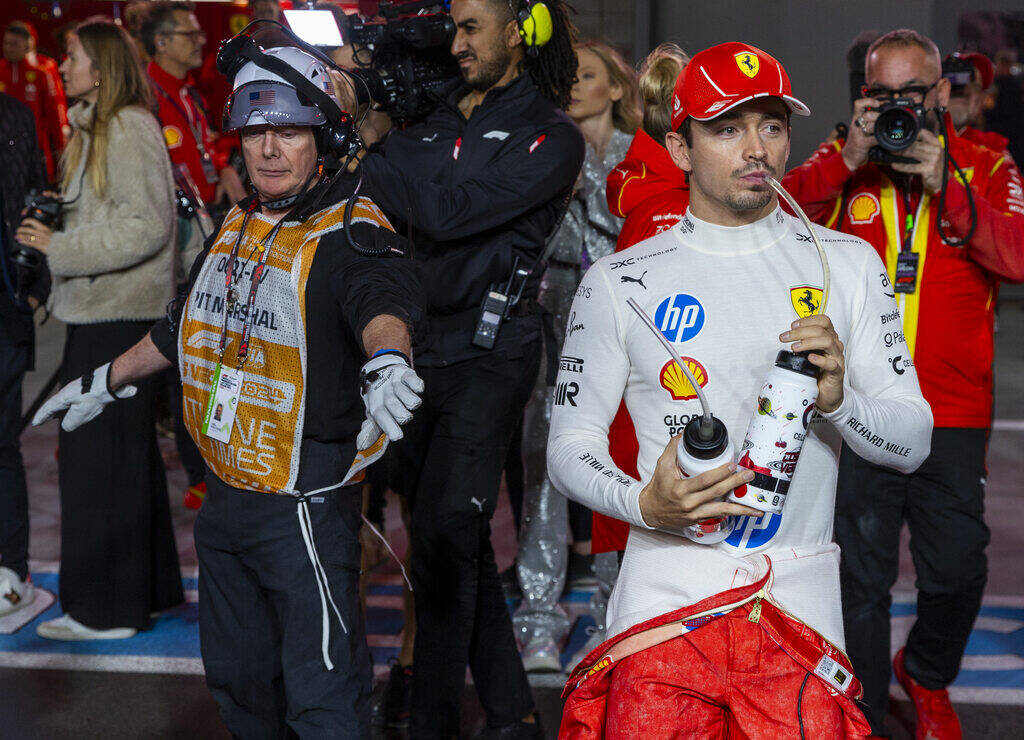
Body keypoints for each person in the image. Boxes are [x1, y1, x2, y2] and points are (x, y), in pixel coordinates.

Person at [34, 32, 424, 736]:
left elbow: (381, 303)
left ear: (323, 139)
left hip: (303, 508)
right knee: (240, 687)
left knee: (323, 697)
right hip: (225, 506)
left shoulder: (350, 229)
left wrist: (387, 359)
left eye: (287, 132)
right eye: (254, 132)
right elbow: (187, 325)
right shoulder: (238, 226)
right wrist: (106, 380)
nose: (268, 150)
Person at [550, 41, 934, 737]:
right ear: (681, 147)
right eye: (728, 128)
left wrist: (841, 402)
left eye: (772, 126)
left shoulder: (848, 265)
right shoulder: (619, 281)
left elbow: (910, 441)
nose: (756, 148)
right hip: (663, 604)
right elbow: (568, 448)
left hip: (798, 613)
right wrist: (643, 502)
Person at [333, 0, 584, 735]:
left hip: (492, 355)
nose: (458, 42)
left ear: (518, 31)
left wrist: (374, 151)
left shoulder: (552, 135)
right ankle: (511, 713)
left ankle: (431, 721)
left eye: (473, 27)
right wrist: (371, 127)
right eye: (453, 28)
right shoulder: (431, 119)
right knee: (455, 536)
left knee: (444, 533)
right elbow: (379, 190)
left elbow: (444, 211)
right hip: (414, 350)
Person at [783, 29, 1024, 739]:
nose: (896, 109)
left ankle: (927, 674)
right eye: (879, 95)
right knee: (859, 579)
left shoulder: (984, 160)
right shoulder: (843, 160)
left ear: (941, 94)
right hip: (857, 406)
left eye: (909, 96)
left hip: (952, 410)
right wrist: (846, 161)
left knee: (956, 571)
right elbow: (777, 229)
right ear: (863, 96)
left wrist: (948, 184)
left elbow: (1015, 255)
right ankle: (860, 710)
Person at [13, 20, 184, 640]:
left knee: (97, 465)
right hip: (103, 315)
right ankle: (151, 592)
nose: (62, 65)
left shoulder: (125, 127)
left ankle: (105, 612)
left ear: (103, 66)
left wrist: (60, 246)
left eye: (73, 55)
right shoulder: (96, 127)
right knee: (125, 463)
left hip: (116, 319)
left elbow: (147, 227)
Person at [513, 39, 639, 675]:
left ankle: (611, 615)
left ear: (617, 88)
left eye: (586, 75)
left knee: (619, 474)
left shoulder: (643, 158)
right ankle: (539, 613)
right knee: (545, 471)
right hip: (550, 329)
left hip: (626, 339)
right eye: (566, 76)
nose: (572, 86)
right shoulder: (543, 150)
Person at [0, 91, 47, 617]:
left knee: (1, 442)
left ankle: (13, 568)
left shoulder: (14, 114)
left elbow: (35, 196)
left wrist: (36, 284)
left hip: (4, 307)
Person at [140, 2, 246, 215]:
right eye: (190, 34)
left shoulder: (192, 94)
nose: (200, 41)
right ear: (161, 42)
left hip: (207, 217)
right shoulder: (144, 99)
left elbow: (206, 147)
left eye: (199, 34)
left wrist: (223, 168)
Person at [0, 21, 69, 182]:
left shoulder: (43, 69)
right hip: (4, 153)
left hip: (36, 151)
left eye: (14, 43)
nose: (9, 47)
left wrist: (61, 152)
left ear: (28, 44)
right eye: (6, 43)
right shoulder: (0, 69)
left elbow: (56, 113)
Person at [944, 51, 1013, 160]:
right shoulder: (913, 139)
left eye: (974, 85)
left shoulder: (994, 151)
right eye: (955, 82)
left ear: (981, 101)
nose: (963, 91)